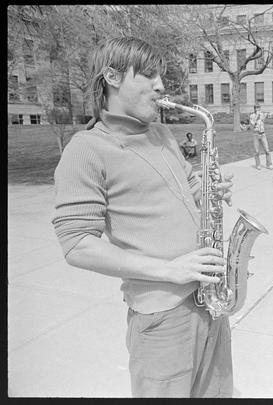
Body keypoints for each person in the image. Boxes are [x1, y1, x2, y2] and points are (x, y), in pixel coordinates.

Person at [51, 37, 235, 398]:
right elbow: (77, 245)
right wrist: (169, 270)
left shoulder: (161, 134)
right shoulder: (86, 149)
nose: (161, 85)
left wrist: (209, 190)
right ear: (112, 77)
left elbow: (188, 186)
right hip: (163, 317)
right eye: (149, 75)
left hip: (211, 298)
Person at [249, 104, 273, 169]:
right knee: (256, 151)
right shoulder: (252, 116)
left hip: (263, 134)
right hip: (256, 134)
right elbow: (252, 124)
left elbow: (269, 116)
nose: (258, 109)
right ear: (254, 109)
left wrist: (271, 113)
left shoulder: (262, 114)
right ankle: (258, 164)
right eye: (256, 108)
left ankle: (269, 164)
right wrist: (257, 116)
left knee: (267, 150)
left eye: (258, 108)